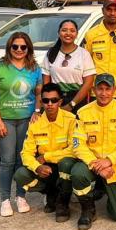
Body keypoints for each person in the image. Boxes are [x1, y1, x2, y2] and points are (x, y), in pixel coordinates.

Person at [70, 73, 116, 230]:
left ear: (114, 90)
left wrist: (108, 161)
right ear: (93, 90)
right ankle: (88, 210)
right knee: (77, 173)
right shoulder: (83, 112)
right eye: (100, 89)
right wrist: (96, 165)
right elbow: (78, 144)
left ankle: (108, 192)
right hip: (91, 164)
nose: (103, 93)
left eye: (108, 89)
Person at [0, 32, 43, 218]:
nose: (19, 50)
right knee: (7, 161)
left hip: (27, 120)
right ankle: (4, 199)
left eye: (23, 47)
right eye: (15, 46)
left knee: (22, 160)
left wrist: (36, 111)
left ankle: (20, 196)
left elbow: (39, 93)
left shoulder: (34, 68)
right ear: (9, 47)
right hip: (7, 121)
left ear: (28, 49)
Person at [12, 82, 78, 222]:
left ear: (60, 102)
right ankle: (51, 193)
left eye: (54, 100)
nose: (49, 104)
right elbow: (26, 153)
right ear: (41, 102)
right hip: (45, 167)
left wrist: (47, 156)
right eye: (45, 100)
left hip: (63, 163)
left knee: (66, 164)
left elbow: (74, 150)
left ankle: (63, 203)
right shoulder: (35, 123)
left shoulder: (70, 120)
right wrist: (37, 167)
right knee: (20, 175)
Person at [41, 19, 95, 110]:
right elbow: (46, 83)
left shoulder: (84, 54)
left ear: (77, 34)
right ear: (59, 33)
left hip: (78, 100)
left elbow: (88, 83)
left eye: (72, 31)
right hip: (55, 101)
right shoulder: (51, 53)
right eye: (64, 30)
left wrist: (72, 104)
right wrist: (51, 101)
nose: (68, 33)